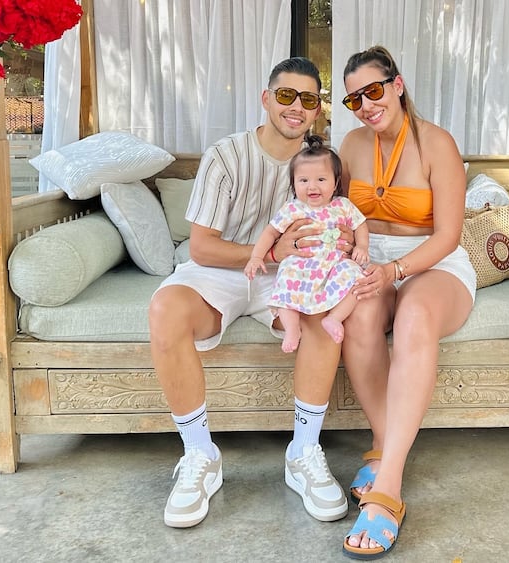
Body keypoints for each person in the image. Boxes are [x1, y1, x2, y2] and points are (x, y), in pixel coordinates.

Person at [148, 57, 354, 529]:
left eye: (308, 99)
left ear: (318, 109)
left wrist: (345, 244)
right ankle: (200, 456)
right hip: (222, 268)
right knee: (165, 309)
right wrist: (272, 252)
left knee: (325, 315)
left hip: (292, 275)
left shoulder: (324, 164)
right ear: (266, 99)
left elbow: (347, 221)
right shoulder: (227, 154)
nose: (296, 107)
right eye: (286, 95)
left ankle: (303, 452)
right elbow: (201, 247)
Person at [337, 46, 477, 559]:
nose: (366, 105)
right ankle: (382, 442)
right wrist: (351, 256)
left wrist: (396, 269)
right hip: (374, 259)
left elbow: (448, 235)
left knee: (415, 314)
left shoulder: (437, 142)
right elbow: (343, 217)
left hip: (433, 262)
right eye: (355, 99)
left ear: (397, 85)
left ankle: (388, 483)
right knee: (361, 314)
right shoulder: (352, 144)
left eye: (374, 90)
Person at [245, 134, 370, 352]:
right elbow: (269, 233)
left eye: (321, 179)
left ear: (335, 182)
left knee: (356, 276)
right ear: (294, 183)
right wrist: (256, 257)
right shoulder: (293, 209)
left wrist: (362, 246)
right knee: (285, 279)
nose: (312, 187)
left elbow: (360, 224)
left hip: (334, 265)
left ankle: (334, 318)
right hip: (302, 264)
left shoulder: (343, 205)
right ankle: (292, 329)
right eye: (303, 180)